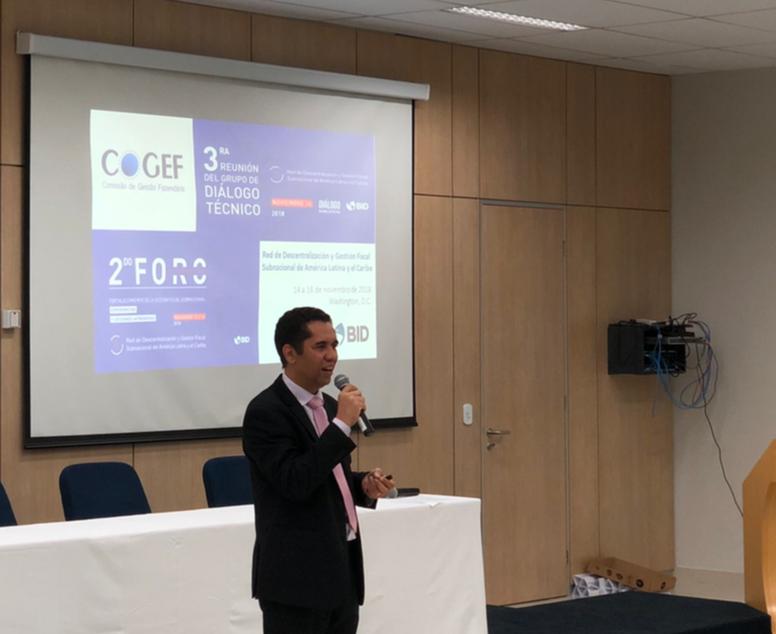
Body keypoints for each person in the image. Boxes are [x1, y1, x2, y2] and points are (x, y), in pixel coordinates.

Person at [243, 306, 395, 634]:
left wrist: (362, 486)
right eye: (320, 346)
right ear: (290, 353)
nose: (332, 356)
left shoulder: (328, 406)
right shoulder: (266, 411)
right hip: (296, 579)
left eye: (335, 345)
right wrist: (341, 425)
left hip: (341, 568)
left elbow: (328, 476)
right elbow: (295, 481)